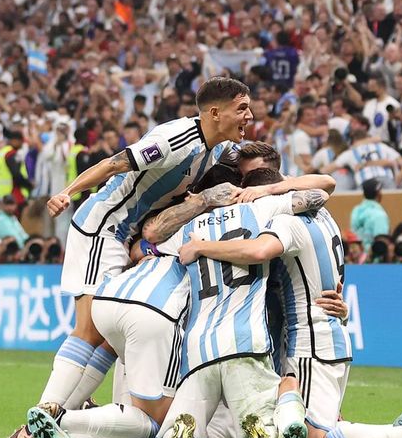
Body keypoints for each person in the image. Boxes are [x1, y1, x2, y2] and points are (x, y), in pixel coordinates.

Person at [21, 167, 335, 438]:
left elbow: (141, 248)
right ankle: (64, 418)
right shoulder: (260, 211)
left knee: (165, 412)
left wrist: (197, 221)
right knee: (155, 422)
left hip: (124, 305)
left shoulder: (188, 228)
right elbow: (320, 193)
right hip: (201, 327)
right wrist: (271, 190)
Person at [178, 185, 402, 438]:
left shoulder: (287, 223)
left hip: (309, 343)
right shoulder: (325, 216)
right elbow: (325, 187)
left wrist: (201, 247)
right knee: (305, 426)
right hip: (330, 336)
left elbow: (258, 251)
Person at [36, 78, 254, 416]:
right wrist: (67, 192)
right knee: (89, 330)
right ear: (214, 113)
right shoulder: (175, 140)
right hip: (103, 228)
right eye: (241, 109)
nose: (249, 116)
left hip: (125, 237)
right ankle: (43, 413)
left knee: (110, 337)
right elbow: (114, 163)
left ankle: (63, 413)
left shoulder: (217, 149)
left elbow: (263, 164)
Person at [323, 117, 401, 190]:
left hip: (365, 182)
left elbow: (327, 169)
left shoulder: (351, 152)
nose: (352, 126)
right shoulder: (381, 146)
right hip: (384, 179)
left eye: (355, 123)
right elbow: (401, 162)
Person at [0, 130, 32, 210]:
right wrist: (29, 185)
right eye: (21, 141)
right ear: (15, 141)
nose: (22, 144)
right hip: (14, 194)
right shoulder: (10, 153)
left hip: (3, 193)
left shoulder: (2, 152)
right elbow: (16, 174)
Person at [350, 179, 390, 252]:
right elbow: (381, 244)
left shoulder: (355, 210)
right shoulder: (379, 215)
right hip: (372, 257)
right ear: (378, 193)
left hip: (357, 255)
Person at [362, 74, 400, 144]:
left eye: (373, 87)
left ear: (382, 87)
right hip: (368, 142)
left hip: (386, 142)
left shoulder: (393, 104)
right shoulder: (369, 104)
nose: (370, 90)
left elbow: (395, 128)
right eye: (369, 87)